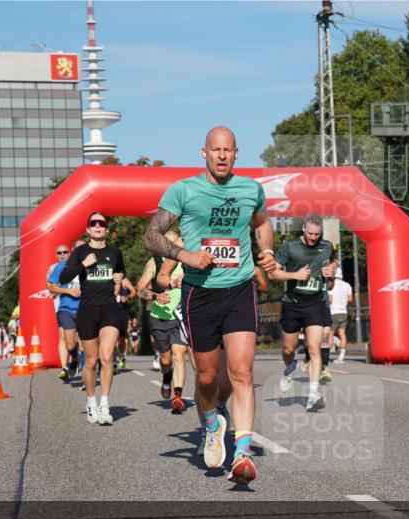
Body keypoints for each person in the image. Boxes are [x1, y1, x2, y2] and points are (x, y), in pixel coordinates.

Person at [144, 125, 279, 484]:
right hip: (199, 294)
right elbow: (151, 235)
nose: (221, 155)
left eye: (228, 150)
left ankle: (244, 454)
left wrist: (266, 251)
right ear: (203, 152)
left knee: (241, 372)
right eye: (215, 149)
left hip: (239, 289)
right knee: (206, 377)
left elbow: (263, 224)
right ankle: (211, 423)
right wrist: (185, 254)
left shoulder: (251, 189)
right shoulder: (183, 191)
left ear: (237, 153)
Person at [59, 212, 127, 425]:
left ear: (106, 229)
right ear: (88, 229)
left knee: (106, 357)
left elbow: (121, 272)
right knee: (90, 360)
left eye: (102, 223)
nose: (98, 226)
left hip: (109, 309)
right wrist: (84, 265)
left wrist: (120, 277)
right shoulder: (80, 252)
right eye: (93, 223)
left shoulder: (115, 252)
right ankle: (91, 403)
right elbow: (64, 278)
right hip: (87, 310)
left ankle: (105, 404)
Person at [269, 214, 337, 412]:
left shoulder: (327, 246)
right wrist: (294, 275)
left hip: (315, 303)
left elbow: (332, 272)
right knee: (288, 350)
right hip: (292, 303)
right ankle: (290, 368)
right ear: (303, 230)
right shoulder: (290, 247)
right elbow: (273, 273)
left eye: (317, 234)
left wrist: (330, 274)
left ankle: (313, 394)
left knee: (314, 348)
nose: (313, 237)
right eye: (310, 233)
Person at [137, 236, 192, 414]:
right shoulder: (154, 262)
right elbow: (140, 289)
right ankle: (166, 376)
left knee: (179, 355)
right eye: (168, 243)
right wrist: (155, 296)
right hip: (159, 317)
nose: (171, 246)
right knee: (166, 360)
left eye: (174, 242)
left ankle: (178, 398)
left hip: (180, 316)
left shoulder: (187, 259)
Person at [47, 242, 82, 381]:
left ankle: (86, 374)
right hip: (65, 308)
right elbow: (51, 286)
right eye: (59, 253)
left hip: (85, 308)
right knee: (70, 343)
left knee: (84, 341)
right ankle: (74, 358)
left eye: (64, 252)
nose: (62, 255)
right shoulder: (61, 266)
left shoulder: (91, 266)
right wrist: (68, 291)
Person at [327, 268, 353, 363]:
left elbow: (330, 299)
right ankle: (341, 356)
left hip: (333, 311)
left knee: (330, 333)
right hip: (343, 312)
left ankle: (328, 355)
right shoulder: (347, 285)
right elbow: (350, 299)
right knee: (342, 334)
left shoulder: (331, 285)